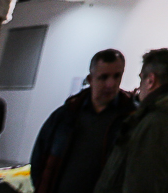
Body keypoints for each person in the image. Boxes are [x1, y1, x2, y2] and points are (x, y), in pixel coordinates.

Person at [94, 48, 168, 193]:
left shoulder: (157, 124)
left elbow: (142, 185)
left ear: (151, 80)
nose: (139, 87)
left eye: (141, 79)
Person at [31, 49, 136, 193]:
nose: (111, 84)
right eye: (104, 77)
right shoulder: (66, 115)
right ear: (90, 79)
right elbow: (39, 158)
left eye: (117, 76)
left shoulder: (131, 119)